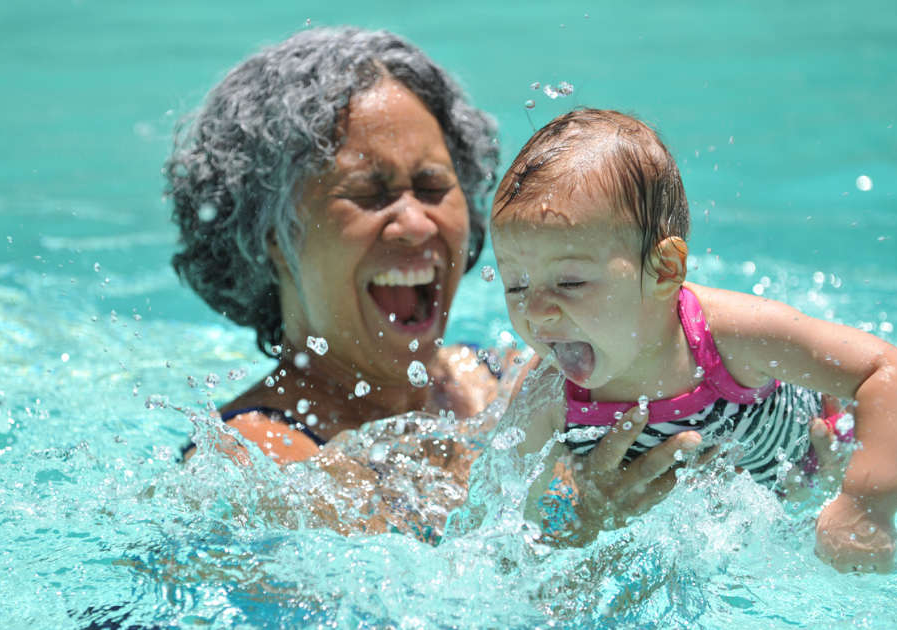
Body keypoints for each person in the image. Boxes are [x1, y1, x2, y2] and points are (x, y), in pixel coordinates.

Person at [164, 29, 703, 525]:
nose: (417, 223)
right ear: (274, 239)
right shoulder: (254, 465)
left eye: (431, 186)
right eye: (370, 194)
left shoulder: (504, 381)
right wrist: (570, 531)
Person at [491, 109, 897, 573]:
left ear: (665, 270)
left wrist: (864, 505)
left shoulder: (732, 337)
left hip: (816, 464)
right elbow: (503, 524)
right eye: (516, 286)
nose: (536, 311)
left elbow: (889, 373)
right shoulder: (546, 394)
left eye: (571, 282)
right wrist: (579, 515)